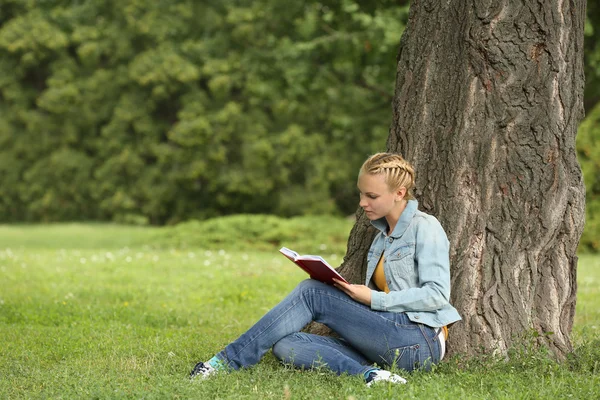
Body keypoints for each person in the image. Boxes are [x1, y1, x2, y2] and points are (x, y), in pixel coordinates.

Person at [190, 152, 462, 385]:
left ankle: (225, 362)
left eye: (371, 195)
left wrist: (372, 298)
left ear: (399, 193)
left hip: (418, 341)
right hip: (387, 338)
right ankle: (372, 376)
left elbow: (437, 295)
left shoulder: (425, 227)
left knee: (312, 292)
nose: (362, 203)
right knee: (289, 345)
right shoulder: (381, 238)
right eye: (361, 193)